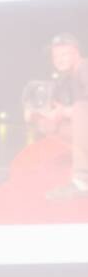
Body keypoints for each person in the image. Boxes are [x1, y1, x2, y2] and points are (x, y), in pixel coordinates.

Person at [41, 33, 88, 198]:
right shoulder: (67, 78)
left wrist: (66, 112)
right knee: (47, 121)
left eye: (64, 54)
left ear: (77, 52)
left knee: (81, 110)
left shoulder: (85, 68)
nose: (59, 59)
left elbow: (82, 110)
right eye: (55, 56)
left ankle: (82, 182)